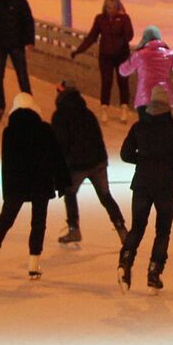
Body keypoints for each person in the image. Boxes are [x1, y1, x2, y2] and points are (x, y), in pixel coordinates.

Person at [116, 90, 173, 293]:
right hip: (166, 186)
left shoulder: (139, 127)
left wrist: (143, 160)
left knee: (137, 228)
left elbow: (125, 154)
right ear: (167, 105)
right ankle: (154, 271)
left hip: (142, 184)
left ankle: (125, 262)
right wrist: (172, 160)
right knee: (162, 231)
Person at [0, 96, 70, 282]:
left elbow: (7, 163)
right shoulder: (45, 129)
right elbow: (57, 158)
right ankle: (33, 264)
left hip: (16, 184)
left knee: (5, 221)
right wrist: (62, 182)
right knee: (38, 223)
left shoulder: (9, 132)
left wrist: (7, 190)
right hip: (40, 183)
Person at [52, 84, 127, 245]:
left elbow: (60, 144)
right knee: (106, 196)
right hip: (98, 161)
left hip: (77, 165)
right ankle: (122, 230)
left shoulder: (60, 116)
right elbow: (98, 137)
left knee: (69, 192)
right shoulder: (88, 113)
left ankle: (74, 229)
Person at [118, 26, 173, 124]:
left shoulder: (139, 54)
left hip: (144, 98)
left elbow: (123, 71)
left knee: (146, 130)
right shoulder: (169, 54)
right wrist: (172, 67)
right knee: (163, 130)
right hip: (164, 97)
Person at [70, 0, 135, 108]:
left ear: (118, 7)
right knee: (106, 82)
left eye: (114, 8)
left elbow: (129, 35)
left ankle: (124, 107)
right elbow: (92, 37)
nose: (111, 11)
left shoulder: (124, 19)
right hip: (106, 56)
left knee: (123, 82)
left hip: (122, 56)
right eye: (109, 8)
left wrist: (121, 39)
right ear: (105, 7)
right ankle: (104, 106)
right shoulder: (100, 19)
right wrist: (79, 50)